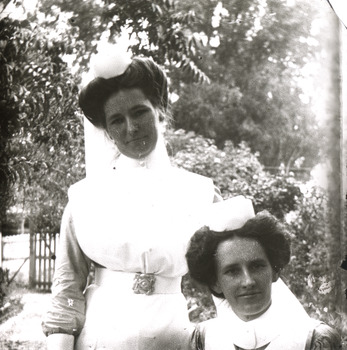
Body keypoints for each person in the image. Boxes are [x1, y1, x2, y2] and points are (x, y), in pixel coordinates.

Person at [41, 47, 255, 350]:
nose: (131, 128)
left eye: (139, 112)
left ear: (160, 111)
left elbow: (230, 280)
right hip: (100, 339)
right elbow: (66, 292)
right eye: (116, 120)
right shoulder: (84, 198)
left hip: (173, 339)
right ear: (107, 130)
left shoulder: (202, 194)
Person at [186, 211, 341, 350]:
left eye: (256, 266)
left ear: (274, 271)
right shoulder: (203, 339)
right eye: (232, 271)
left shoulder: (316, 340)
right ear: (215, 282)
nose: (248, 281)